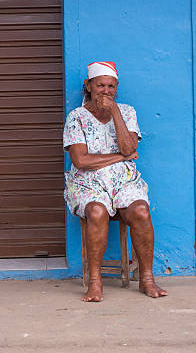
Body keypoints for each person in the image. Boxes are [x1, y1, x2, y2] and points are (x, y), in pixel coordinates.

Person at [63, 61, 167, 302]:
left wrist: (115, 113)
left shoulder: (127, 112)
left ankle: (147, 279)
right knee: (97, 212)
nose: (106, 91)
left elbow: (130, 145)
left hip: (124, 181)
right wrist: (122, 157)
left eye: (111, 86)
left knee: (141, 210)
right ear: (88, 86)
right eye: (100, 85)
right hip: (87, 183)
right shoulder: (76, 117)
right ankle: (95, 282)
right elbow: (81, 161)